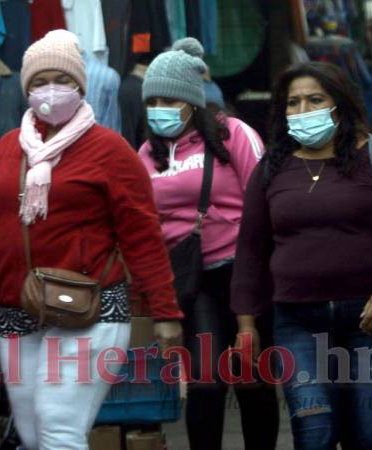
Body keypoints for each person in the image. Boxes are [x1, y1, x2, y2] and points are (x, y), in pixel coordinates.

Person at [0, 30, 183, 450]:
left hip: (90, 312)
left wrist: (165, 311)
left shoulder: (111, 151)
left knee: (58, 428)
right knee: (34, 436)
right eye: (40, 81)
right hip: (17, 317)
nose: (51, 90)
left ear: (80, 85)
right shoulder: (6, 150)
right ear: (25, 88)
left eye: (63, 80)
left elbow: (143, 238)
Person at [231, 61, 372, 450]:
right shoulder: (272, 169)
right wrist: (246, 324)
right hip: (297, 323)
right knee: (314, 432)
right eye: (293, 102)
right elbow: (251, 249)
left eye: (314, 99)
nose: (303, 110)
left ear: (339, 105)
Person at [138, 38, 278, 450]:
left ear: (191, 100)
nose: (160, 108)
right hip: (192, 280)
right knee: (205, 382)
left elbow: (264, 198)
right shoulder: (146, 153)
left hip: (245, 274)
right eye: (153, 100)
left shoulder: (231, 133)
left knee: (253, 379)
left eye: (169, 98)